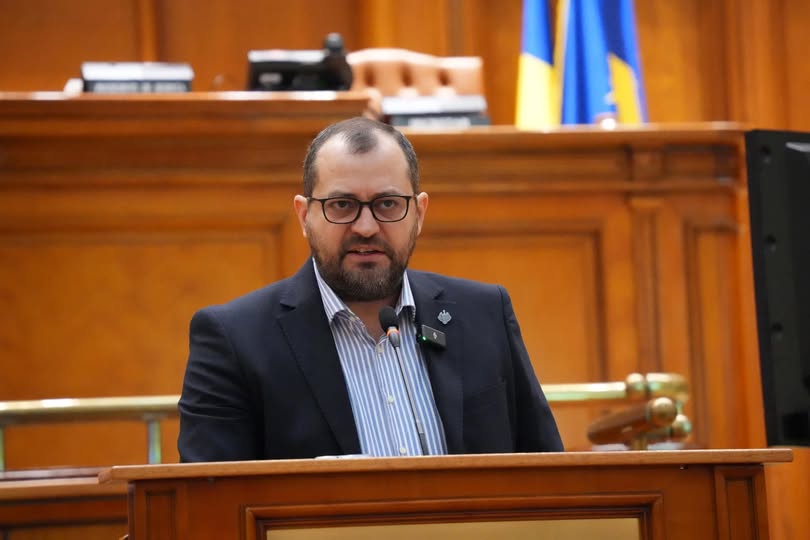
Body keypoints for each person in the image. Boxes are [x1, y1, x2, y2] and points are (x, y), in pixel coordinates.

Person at [178, 117, 563, 461]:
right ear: (304, 216)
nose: (366, 227)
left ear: (419, 213)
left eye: (388, 204)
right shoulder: (235, 339)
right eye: (342, 205)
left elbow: (547, 472)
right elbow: (212, 503)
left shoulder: (484, 313)